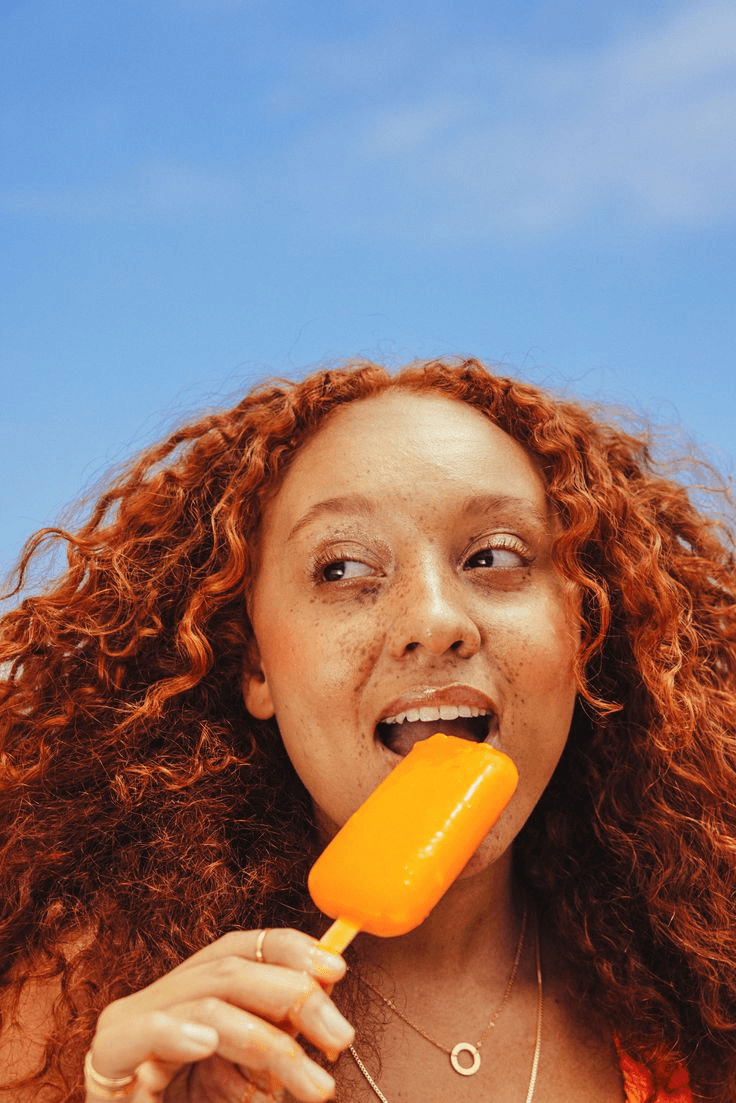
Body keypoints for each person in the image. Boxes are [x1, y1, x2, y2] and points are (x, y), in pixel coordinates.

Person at [0, 357, 734, 1103]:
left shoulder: (707, 994)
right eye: (343, 568)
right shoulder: (71, 1015)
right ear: (256, 666)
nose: (434, 620)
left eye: (495, 556)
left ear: (585, 627)